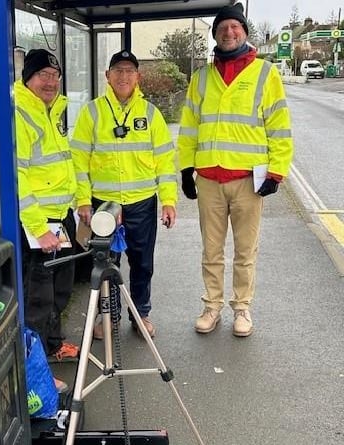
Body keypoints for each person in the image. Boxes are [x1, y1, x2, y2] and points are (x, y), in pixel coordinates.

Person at [177, 3, 294, 337]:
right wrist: (186, 169)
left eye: (235, 27)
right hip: (210, 180)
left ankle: (242, 308)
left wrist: (276, 172)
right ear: (215, 34)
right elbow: (189, 128)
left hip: (248, 180)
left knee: (245, 252)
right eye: (223, 27)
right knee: (211, 251)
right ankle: (211, 307)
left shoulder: (265, 73)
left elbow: (280, 127)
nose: (229, 32)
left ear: (245, 32)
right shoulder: (201, 77)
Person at [71, 50, 178, 339]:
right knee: (106, 263)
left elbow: (165, 162)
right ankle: (109, 317)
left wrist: (168, 200)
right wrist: (82, 200)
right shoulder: (92, 112)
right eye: (118, 70)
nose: (124, 76)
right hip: (104, 204)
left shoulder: (150, 114)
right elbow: (78, 160)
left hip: (142, 203)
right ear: (107, 75)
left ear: (138, 76)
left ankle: (141, 314)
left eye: (130, 70)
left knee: (143, 262)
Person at [15, 49, 79, 392]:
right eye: (43, 75)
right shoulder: (20, 114)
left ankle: (53, 347)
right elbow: (18, 177)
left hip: (60, 217)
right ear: (28, 78)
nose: (51, 82)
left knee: (59, 289)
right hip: (37, 225)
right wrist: (39, 228)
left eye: (55, 76)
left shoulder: (51, 111)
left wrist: (76, 204)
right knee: (37, 300)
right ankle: (34, 371)